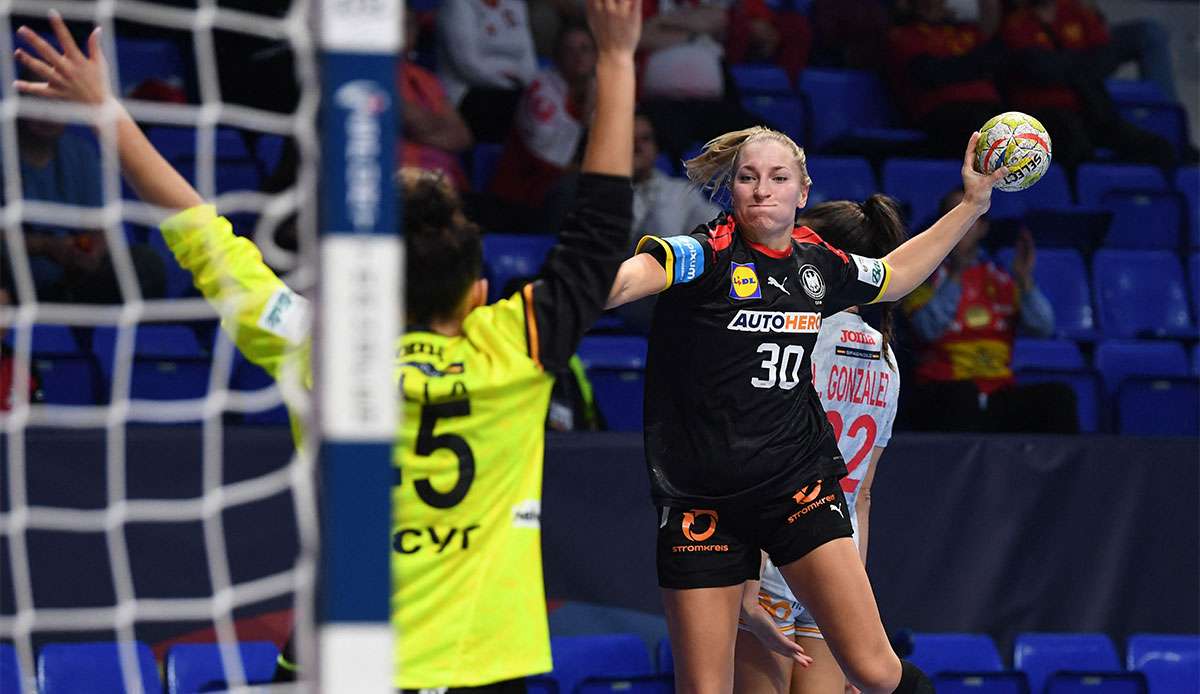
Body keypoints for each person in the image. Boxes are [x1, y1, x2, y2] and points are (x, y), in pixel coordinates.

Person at [12, 3, 639, 691]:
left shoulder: (321, 347)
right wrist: (615, 57)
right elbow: (598, 232)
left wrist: (107, 111)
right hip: (476, 667)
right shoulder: (516, 342)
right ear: (477, 292)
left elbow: (201, 233)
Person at [604, 124, 1010, 694]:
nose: (761, 190)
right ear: (733, 188)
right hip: (702, 499)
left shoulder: (817, 265)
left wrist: (972, 204)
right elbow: (641, 273)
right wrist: (588, 288)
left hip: (795, 485)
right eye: (747, 177)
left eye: (777, 178)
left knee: (873, 669)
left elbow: (893, 277)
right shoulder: (707, 250)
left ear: (802, 191)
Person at [732, 196, 907, 694]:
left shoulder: (792, 335)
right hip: (836, 568)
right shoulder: (887, 359)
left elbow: (754, 462)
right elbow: (864, 497)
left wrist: (747, 580)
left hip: (771, 559)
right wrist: (858, 612)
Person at [900, 188, 1076, 433]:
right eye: (955, 215)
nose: (962, 226)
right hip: (943, 390)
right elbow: (928, 330)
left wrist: (1024, 280)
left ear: (983, 228)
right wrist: (956, 275)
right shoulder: (921, 277)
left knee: (1059, 397)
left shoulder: (1001, 279)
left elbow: (1043, 328)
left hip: (997, 390)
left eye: (972, 217)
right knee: (964, 395)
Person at [999, 0, 1176, 171]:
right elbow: (1039, 69)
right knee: (1075, 144)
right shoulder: (1015, 22)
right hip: (1046, 114)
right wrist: (1082, 62)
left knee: (1159, 148)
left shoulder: (1075, 11)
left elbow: (1103, 59)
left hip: (1091, 109)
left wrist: (1071, 65)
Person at [886, 0, 1006, 158]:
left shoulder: (967, 31)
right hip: (941, 114)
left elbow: (994, 61)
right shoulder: (905, 34)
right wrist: (972, 65)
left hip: (986, 109)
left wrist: (963, 65)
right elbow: (929, 74)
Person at [437, 0, 540, 142]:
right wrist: (511, 79)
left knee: (542, 101)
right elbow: (468, 65)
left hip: (513, 89)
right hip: (466, 94)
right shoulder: (457, 5)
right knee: (524, 112)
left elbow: (528, 59)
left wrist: (523, 82)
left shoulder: (516, 5)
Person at [398, 8, 473, 190]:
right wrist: (438, 126)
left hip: (445, 184)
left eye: (411, 25)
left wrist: (421, 126)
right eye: (400, 25)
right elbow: (411, 121)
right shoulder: (371, 75)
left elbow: (462, 137)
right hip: (404, 183)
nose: (407, 32)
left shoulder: (425, 79)